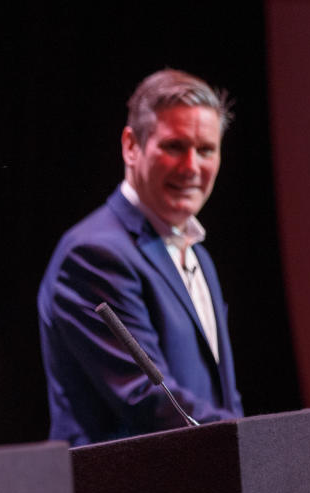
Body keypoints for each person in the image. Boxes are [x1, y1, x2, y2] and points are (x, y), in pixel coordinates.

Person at [37, 68, 244, 447]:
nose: (192, 167)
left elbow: (222, 397)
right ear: (131, 146)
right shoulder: (94, 253)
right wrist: (251, 439)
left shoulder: (198, 253)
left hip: (208, 479)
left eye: (206, 150)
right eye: (175, 147)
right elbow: (149, 400)